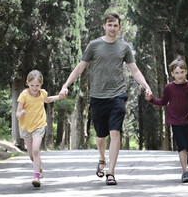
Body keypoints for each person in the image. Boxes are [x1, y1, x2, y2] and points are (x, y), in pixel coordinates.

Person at [59, 11, 152, 186]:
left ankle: (111, 171)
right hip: (97, 96)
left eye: (115, 25)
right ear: (104, 26)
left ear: (119, 27)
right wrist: (66, 85)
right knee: (101, 136)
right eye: (109, 25)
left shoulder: (124, 47)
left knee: (115, 132)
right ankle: (102, 158)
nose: (112, 28)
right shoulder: (94, 45)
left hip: (117, 95)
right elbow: (80, 68)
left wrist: (146, 86)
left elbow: (135, 70)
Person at [145, 56, 188, 183]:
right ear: (172, 74)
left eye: (182, 72)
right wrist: (151, 99)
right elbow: (163, 102)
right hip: (175, 121)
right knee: (181, 146)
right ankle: (185, 172)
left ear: (186, 72)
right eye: (176, 73)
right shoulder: (169, 87)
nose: (179, 75)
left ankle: (187, 155)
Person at [16, 70, 62, 187]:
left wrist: (59, 97)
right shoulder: (23, 95)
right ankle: (39, 166)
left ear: (41, 84)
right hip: (26, 127)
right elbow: (17, 112)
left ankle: (36, 177)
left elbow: (47, 100)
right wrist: (20, 114)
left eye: (37, 85)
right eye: (32, 85)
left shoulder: (43, 93)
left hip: (39, 125)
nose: (34, 88)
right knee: (32, 155)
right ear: (27, 83)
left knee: (36, 150)